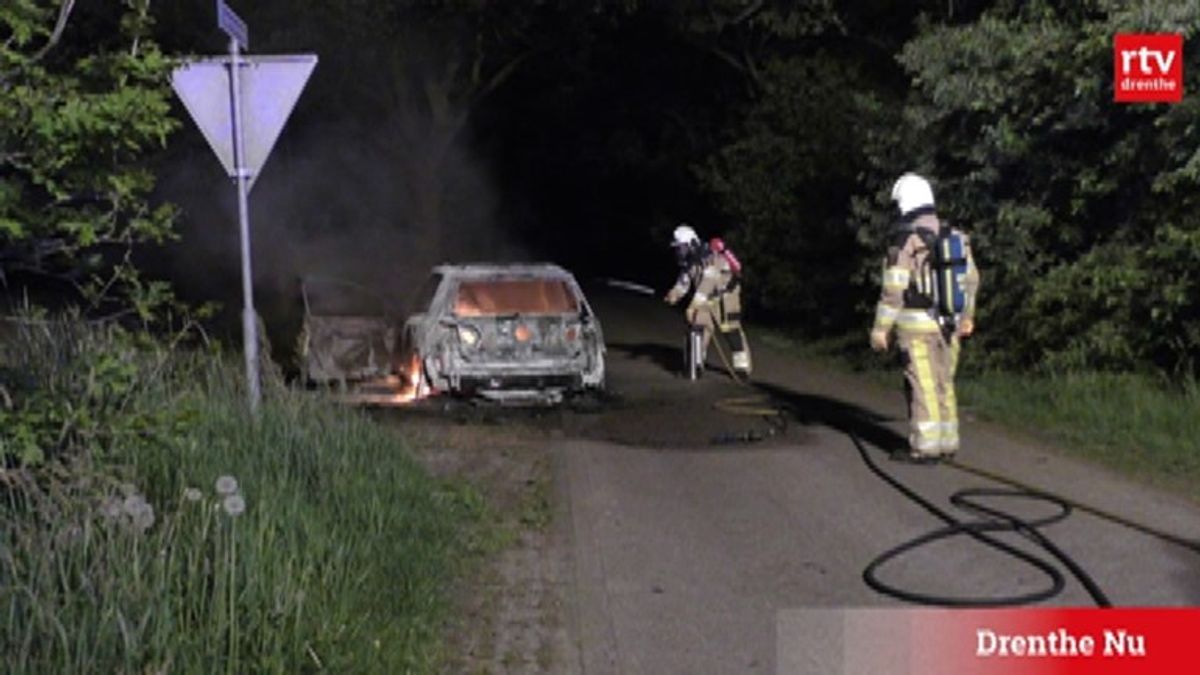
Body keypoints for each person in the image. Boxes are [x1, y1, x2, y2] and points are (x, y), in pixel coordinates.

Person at [870, 173, 979, 462]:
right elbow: (971, 279)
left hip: (916, 327)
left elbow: (894, 288)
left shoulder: (904, 240)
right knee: (945, 383)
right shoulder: (955, 235)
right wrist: (967, 315)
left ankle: (925, 447)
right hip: (950, 325)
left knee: (923, 385)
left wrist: (881, 329)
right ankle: (947, 442)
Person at [665, 224, 752, 376]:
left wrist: (693, 305)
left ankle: (742, 368)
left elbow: (707, 282)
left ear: (691, 244)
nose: (679, 252)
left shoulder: (711, 256)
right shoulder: (690, 262)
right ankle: (695, 364)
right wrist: (674, 294)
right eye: (677, 248)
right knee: (697, 326)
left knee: (731, 331)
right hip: (705, 298)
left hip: (725, 297)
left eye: (681, 248)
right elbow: (684, 282)